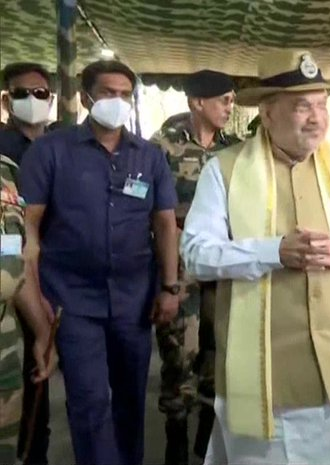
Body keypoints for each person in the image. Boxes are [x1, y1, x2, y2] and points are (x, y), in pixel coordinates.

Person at [180, 49, 330, 465]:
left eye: (321, 105)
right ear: (267, 113)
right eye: (302, 107)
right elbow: (196, 253)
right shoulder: (224, 170)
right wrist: (272, 251)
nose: (317, 118)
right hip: (262, 378)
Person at [19, 59, 179, 465]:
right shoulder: (50, 152)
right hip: (72, 302)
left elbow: (164, 225)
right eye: (109, 93)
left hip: (133, 299)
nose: (118, 102)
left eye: (126, 95)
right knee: (89, 400)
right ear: (87, 98)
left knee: (130, 399)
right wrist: (36, 299)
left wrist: (169, 287)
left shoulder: (150, 157)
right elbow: (30, 229)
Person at [150, 69, 239, 465]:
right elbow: (152, 210)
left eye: (232, 100)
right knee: (179, 356)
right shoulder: (162, 147)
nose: (229, 106)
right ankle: (176, 445)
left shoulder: (234, 150)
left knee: (218, 355)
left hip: (220, 268)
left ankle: (207, 443)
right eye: (223, 99)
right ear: (197, 102)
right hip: (180, 266)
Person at [0, 61, 55, 465]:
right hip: (16, 296)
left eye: (40, 94)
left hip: (44, 284)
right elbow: (12, 256)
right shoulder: (4, 158)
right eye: (23, 94)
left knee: (35, 405)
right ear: (6, 100)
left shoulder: (59, 146)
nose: (32, 102)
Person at [0, 63, 55, 166]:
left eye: (40, 93)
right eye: (21, 93)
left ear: (50, 100)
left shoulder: (64, 144)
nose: (31, 99)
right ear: (6, 101)